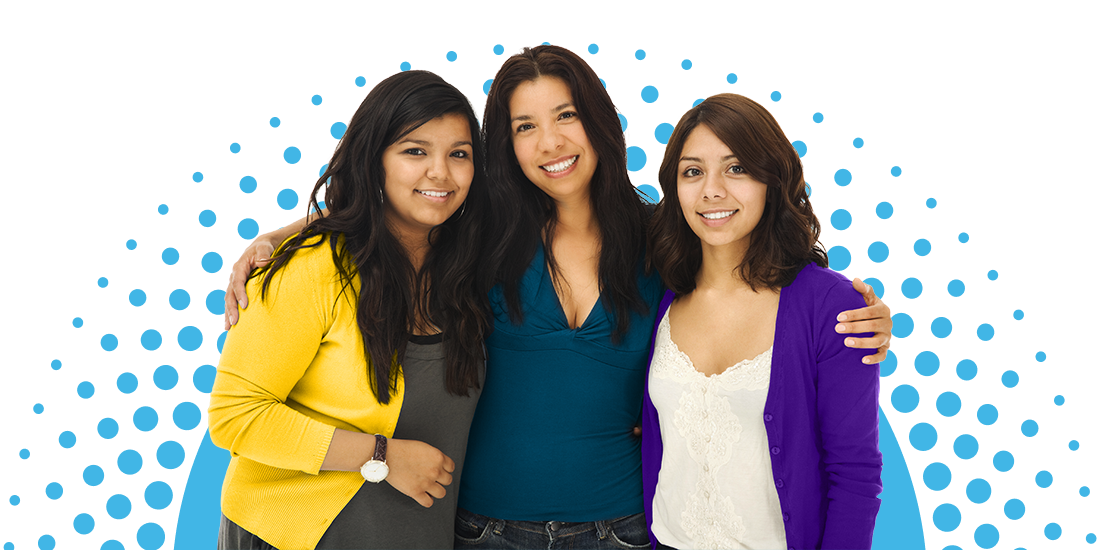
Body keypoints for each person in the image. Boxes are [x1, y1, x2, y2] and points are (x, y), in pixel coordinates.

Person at [223, 46, 892, 550]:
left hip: (623, 531)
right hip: (481, 531)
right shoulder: (476, 233)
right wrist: (287, 233)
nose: (550, 143)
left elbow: (759, 266)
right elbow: (396, 205)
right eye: (522, 127)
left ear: (598, 120)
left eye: (566, 115)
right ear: (504, 147)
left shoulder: (665, 238)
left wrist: (858, 305)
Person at [208, 70, 495, 550]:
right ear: (373, 159)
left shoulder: (466, 265)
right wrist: (380, 455)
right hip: (292, 535)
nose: (440, 173)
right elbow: (235, 415)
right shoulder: (311, 268)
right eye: (415, 151)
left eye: (459, 154)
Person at [642, 93, 883, 550]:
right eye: (693, 171)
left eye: (736, 168)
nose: (712, 190)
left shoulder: (831, 306)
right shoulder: (658, 293)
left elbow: (855, 475)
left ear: (772, 178)